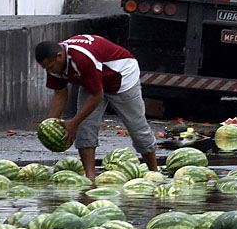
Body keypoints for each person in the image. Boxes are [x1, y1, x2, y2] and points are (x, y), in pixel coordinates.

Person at [35, 34, 158, 182]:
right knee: (85, 128)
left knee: (137, 128)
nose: (49, 71)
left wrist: (73, 123)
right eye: (45, 68)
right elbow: (60, 94)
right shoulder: (54, 64)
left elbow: (97, 96)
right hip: (92, 80)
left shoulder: (81, 58)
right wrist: (49, 125)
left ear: (59, 56)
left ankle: (154, 173)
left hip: (121, 77)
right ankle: (90, 179)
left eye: (49, 67)